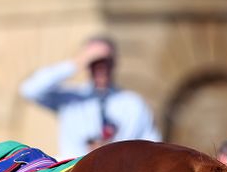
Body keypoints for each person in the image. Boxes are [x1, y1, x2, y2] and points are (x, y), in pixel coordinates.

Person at [19, 35, 160, 158]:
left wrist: (114, 150)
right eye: (94, 63)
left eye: (105, 62)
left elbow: (152, 145)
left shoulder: (133, 103)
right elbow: (30, 90)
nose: (101, 69)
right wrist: (77, 63)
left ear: (114, 63)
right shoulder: (71, 98)